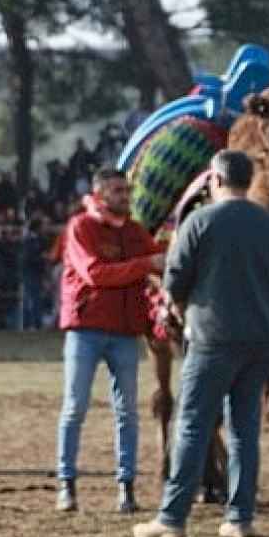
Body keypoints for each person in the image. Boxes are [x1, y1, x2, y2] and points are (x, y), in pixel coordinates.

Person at [133, 150, 269, 537]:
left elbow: (174, 283)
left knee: (192, 425)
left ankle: (172, 518)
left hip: (213, 338)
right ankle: (240, 519)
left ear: (215, 179)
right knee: (245, 430)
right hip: (263, 341)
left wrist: (179, 312)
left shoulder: (199, 221)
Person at [55, 167, 164, 514]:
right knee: (75, 408)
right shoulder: (81, 227)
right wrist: (146, 263)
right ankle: (66, 484)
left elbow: (161, 258)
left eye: (126, 190)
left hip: (124, 331)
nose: (125, 196)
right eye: (117, 191)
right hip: (86, 329)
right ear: (100, 194)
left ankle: (126, 487)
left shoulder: (134, 232)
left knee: (127, 412)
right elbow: (95, 273)